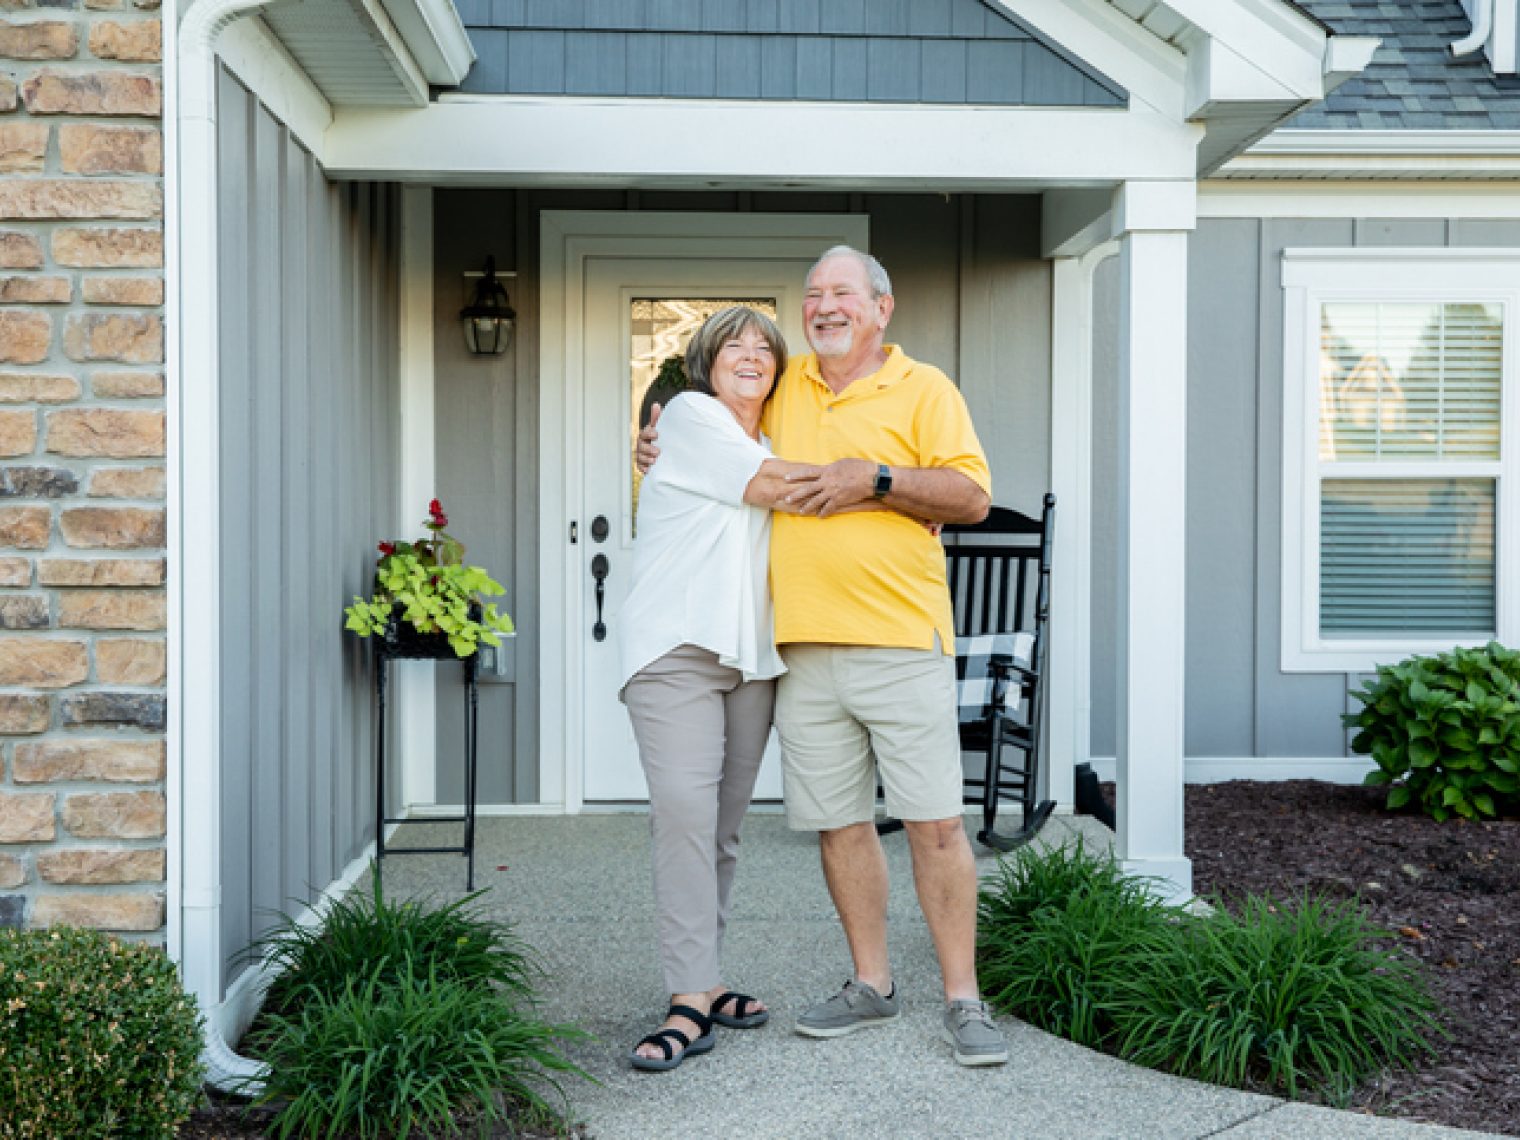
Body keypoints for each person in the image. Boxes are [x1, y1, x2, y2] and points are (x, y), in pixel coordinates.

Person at [639, 246, 1007, 1067]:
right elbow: (721, 435)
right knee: (840, 827)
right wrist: (656, 442)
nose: (825, 306)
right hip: (799, 648)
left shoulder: (925, 388)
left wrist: (877, 479)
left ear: (883, 307)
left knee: (936, 825)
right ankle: (870, 984)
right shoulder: (785, 385)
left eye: (843, 292)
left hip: (902, 640)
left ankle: (963, 997)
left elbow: (973, 496)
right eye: (813, 294)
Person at [620, 305, 829, 1072]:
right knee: (683, 819)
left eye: (763, 348)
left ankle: (704, 980)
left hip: (750, 660)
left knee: (721, 830)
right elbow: (774, 488)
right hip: (675, 650)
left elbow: (795, 482)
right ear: (707, 364)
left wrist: (902, 516)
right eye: (732, 345)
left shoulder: (776, 438)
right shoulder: (688, 414)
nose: (749, 355)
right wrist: (890, 493)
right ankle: (685, 1004)